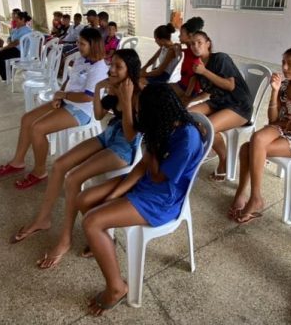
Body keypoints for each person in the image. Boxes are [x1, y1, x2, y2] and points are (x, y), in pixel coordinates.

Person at [77, 84, 205, 316]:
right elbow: (142, 167)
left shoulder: (186, 139)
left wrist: (152, 145)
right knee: (85, 199)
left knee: (91, 222)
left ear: (156, 113)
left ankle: (116, 288)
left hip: (162, 199)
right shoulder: (165, 124)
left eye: (140, 113)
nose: (137, 117)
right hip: (146, 182)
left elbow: (157, 176)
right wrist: (113, 195)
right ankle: (105, 243)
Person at [10, 49, 142, 271]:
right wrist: (99, 88)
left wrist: (127, 100)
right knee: (60, 165)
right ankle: (43, 218)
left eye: (118, 67)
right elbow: (99, 115)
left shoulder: (138, 94)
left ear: (131, 70)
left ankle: (65, 239)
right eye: (112, 65)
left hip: (125, 147)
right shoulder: (116, 87)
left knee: (73, 178)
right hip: (109, 135)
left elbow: (130, 136)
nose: (111, 70)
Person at [0, 27, 108, 189]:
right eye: (78, 42)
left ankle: (39, 171)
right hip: (67, 100)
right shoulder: (82, 58)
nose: (78, 46)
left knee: (38, 128)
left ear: (93, 45)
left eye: (82, 44)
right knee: (27, 119)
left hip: (82, 110)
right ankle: (17, 161)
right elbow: (69, 80)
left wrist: (63, 95)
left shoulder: (99, 68)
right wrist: (60, 95)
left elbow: (88, 97)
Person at [230, 46, 291, 223]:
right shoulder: (285, 84)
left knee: (248, 148)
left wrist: (284, 124)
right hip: (282, 127)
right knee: (256, 139)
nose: (284, 67)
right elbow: (273, 119)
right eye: (283, 62)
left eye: (290, 64)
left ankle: (253, 197)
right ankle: (248, 195)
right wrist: (275, 91)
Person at [189, 31, 253, 181]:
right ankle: (218, 153)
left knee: (206, 127)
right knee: (187, 116)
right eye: (192, 43)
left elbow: (230, 85)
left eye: (199, 42)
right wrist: (188, 102)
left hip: (238, 104)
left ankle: (224, 161)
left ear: (208, 44)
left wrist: (204, 72)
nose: (195, 46)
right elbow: (207, 92)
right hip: (218, 102)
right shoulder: (198, 64)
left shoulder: (220, 58)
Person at [0, 11, 32, 81]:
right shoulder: (16, 29)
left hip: (19, 51)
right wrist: (8, 41)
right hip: (13, 49)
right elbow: (10, 39)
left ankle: (6, 77)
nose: (15, 19)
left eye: (17, 18)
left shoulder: (26, 30)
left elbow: (15, 43)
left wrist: (3, 48)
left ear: (23, 19)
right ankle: (9, 72)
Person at [170, 16, 204, 104]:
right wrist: (178, 50)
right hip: (182, 84)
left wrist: (186, 96)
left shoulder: (195, 54)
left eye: (181, 34)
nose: (179, 36)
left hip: (189, 89)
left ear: (190, 36)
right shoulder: (188, 51)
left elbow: (194, 78)